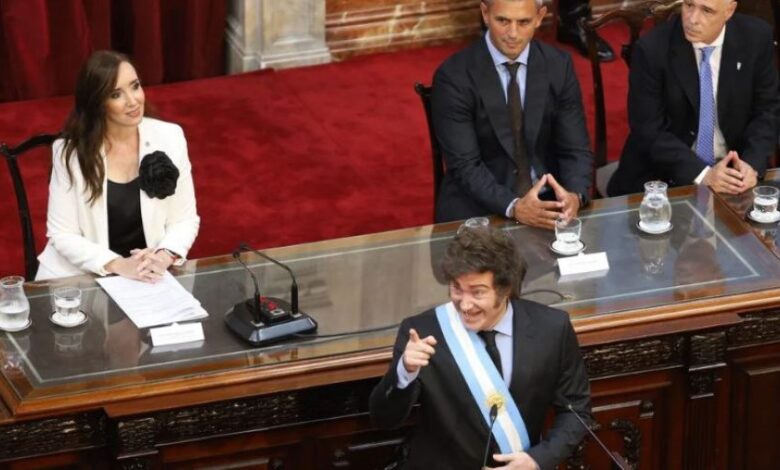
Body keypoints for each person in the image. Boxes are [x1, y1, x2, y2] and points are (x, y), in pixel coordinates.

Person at [370, 225, 591, 470]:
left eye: (477, 292)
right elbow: (384, 419)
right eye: (457, 288)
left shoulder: (552, 328)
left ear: (505, 289)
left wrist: (538, 459)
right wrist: (404, 371)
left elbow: (576, 411)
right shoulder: (421, 333)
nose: (464, 305)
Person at [36, 50, 200, 281]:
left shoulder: (170, 137)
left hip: (147, 276)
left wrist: (164, 256)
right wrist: (119, 265)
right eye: (116, 94)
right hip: (82, 275)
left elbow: (184, 219)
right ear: (97, 102)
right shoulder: (69, 153)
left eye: (135, 86)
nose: (133, 101)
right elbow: (62, 234)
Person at [433, 0, 593, 230]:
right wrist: (514, 206)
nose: (513, 34)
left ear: (540, 17)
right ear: (485, 13)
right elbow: (465, 165)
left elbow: (575, 148)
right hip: (478, 207)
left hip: (549, 202)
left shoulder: (559, 65)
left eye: (524, 22)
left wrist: (574, 195)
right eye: (503, 21)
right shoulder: (453, 76)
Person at [607, 0, 780, 196]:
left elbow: (768, 110)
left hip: (735, 172)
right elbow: (648, 128)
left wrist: (751, 164)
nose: (692, 19)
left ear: (729, 10)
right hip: (666, 175)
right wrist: (703, 174)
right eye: (689, 5)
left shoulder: (756, 38)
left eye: (706, 10)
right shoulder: (652, 49)